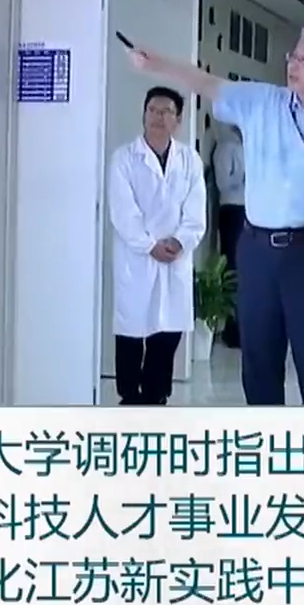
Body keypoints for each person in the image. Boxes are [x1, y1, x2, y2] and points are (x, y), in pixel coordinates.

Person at [129, 24, 304, 405]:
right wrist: (157, 64)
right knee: (259, 359)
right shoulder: (261, 102)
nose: (293, 66)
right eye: (293, 57)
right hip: (258, 250)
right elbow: (207, 83)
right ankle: (267, 434)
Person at [105, 86, 206, 405]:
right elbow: (123, 212)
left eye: (166, 112)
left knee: (168, 330)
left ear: (178, 119)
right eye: (152, 110)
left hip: (175, 256)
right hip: (137, 257)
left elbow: (195, 211)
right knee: (132, 330)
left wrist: (179, 241)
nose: (158, 117)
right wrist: (149, 245)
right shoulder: (124, 159)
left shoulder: (189, 160)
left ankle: (156, 395)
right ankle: (129, 396)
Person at [211, 122, 247, 348]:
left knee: (247, 270)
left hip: (249, 213)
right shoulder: (226, 147)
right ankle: (233, 329)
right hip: (232, 210)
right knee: (233, 268)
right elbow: (223, 183)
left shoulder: (249, 147)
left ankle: (246, 328)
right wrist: (244, 175)